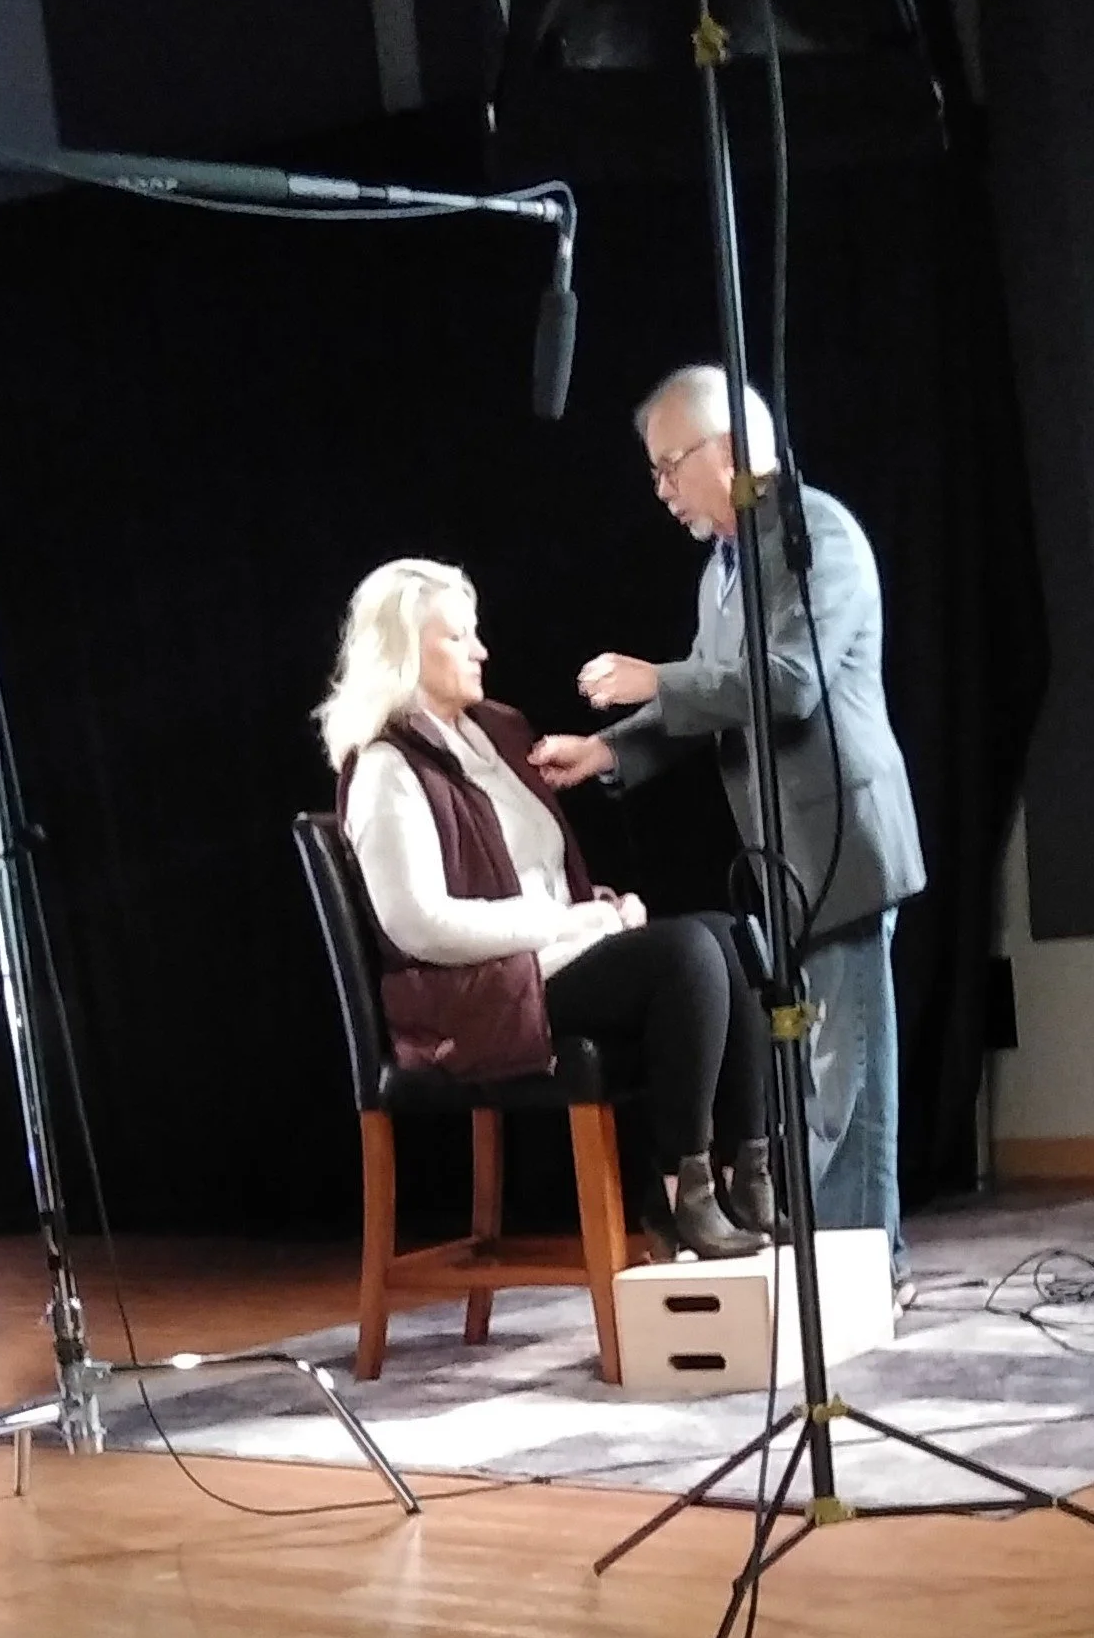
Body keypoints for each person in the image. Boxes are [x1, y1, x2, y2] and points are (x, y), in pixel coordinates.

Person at [531, 366, 925, 1294]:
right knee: (823, 1074)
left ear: (733, 451)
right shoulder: (724, 569)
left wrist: (652, 679)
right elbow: (718, 702)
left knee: (848, 1079)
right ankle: (862, 1264)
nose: (661, 489)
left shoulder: (809, 533)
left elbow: (786, 683)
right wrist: (609, 750)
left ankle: (866, 1271)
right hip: (786, 858)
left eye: (671, 465)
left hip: (842, 841)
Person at [317, 556, 773, 1260]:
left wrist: (595, 907)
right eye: (457, 638)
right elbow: (418, 924)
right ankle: (682, 1189)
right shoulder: (385, 767)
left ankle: (751, 1172)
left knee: (727, 936)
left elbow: (528, 872)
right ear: (405, 649)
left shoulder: (493, 732)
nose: (481, 650)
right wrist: (566, 923)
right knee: (683, 955)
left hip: (545, 953)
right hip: (467, 993)